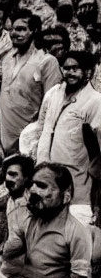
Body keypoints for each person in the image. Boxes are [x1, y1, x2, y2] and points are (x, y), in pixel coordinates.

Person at [1, 162, 91, 278]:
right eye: (32, 185)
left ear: (66, 195)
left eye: (41, 186)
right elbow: (8, 260)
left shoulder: (76, 232)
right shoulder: (28, 221)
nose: (33, 190)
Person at [34, 50, 101, 224]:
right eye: (66, 68)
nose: (70, 72)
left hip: (79, 188)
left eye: (75, 69)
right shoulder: (53, 94)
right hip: (46, 177)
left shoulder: (95, 101)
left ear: (87, 72)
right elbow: (40, 128)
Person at [0, 10, 62, 154]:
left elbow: (52, 108)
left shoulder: (47, 62)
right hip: (5, 141)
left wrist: (38, 141)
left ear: (34, 31)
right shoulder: (7, 59)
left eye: (21, 29)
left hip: (30, 142)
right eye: (12, 29)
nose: (15, 33)